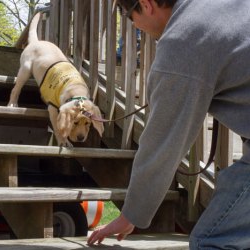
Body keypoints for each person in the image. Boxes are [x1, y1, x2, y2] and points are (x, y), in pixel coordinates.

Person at [87, 0, 250, 249]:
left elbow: (161, 143)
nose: (136, 27)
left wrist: (130, 214)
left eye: (130, 17)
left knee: (213, 241)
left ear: (146, 4)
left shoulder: (183, 42)